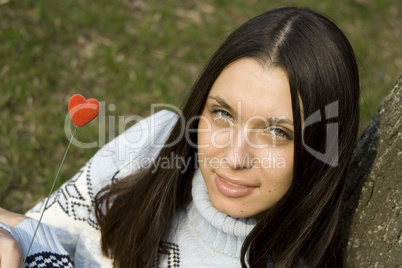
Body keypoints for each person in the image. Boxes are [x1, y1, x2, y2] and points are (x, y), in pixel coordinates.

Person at [0, 6, 359, 268]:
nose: (234, 157)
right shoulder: (153, 143)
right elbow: (36, 234)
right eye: (222, 114)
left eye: (278, 132)